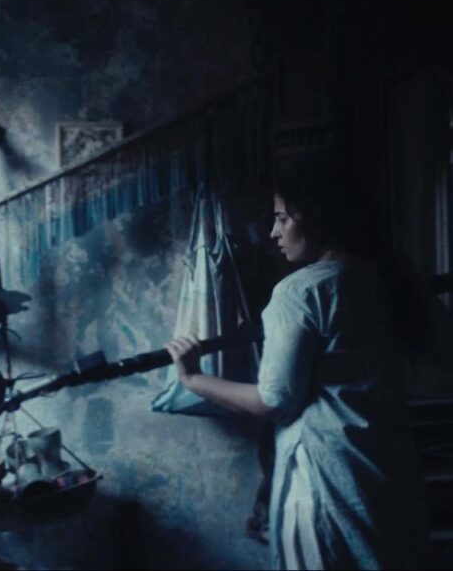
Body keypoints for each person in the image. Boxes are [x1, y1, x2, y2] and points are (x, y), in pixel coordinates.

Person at [164, 156, 434, 570]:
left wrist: (192, 377)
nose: (274, 232)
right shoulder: (392, 277)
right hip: (390, 475)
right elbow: (451, 347)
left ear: (318, 218)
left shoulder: (301, 292)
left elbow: (275, 400)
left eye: (282, 218)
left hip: (329, 482)